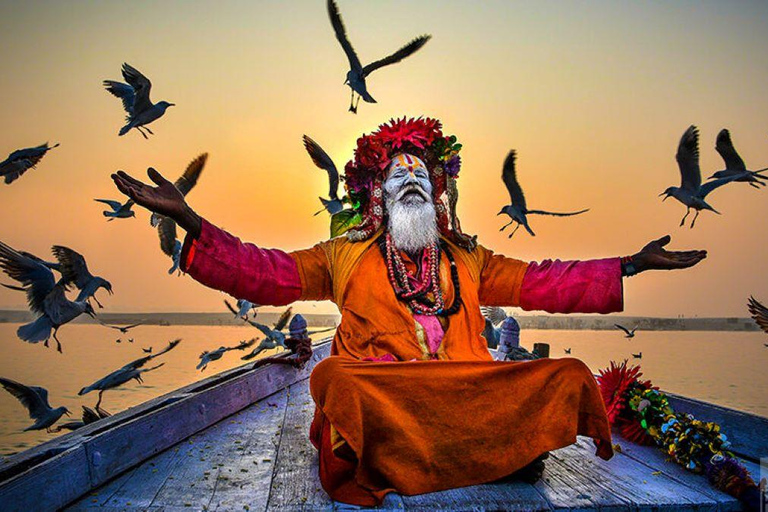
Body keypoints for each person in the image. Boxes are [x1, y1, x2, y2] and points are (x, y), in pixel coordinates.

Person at [111, 117, 706, 507]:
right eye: (399, 173)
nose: (411, 177)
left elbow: (543, 281)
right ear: (378, 192)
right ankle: (489, 452)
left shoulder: (468, 260)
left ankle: (462, 447)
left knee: (566, 373)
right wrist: (189, 222)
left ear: (438, 189)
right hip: (388, 393)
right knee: (336, 378)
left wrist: (630, 264)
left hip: (462, 391)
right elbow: (261, 271)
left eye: (421, 172)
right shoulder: (341, 256)